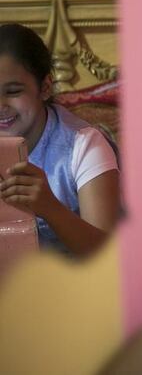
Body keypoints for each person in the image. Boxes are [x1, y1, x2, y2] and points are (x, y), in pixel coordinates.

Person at [0, 23, 120, 257]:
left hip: (80, 287)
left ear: (45, 87)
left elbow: (107, 258)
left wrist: (50, 208)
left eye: (13, 92)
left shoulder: (84, 145)